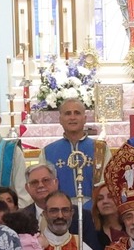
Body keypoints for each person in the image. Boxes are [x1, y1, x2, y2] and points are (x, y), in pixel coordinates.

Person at [39, 97, 98, 232]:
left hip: (95, 213)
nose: (72, 117)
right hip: (60, 216)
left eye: (77, 113)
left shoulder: (100, 149)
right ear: (60, 119)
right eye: (67, 113)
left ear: (85, 118)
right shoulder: (48, 152)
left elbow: (107, 184)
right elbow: (44, 187)